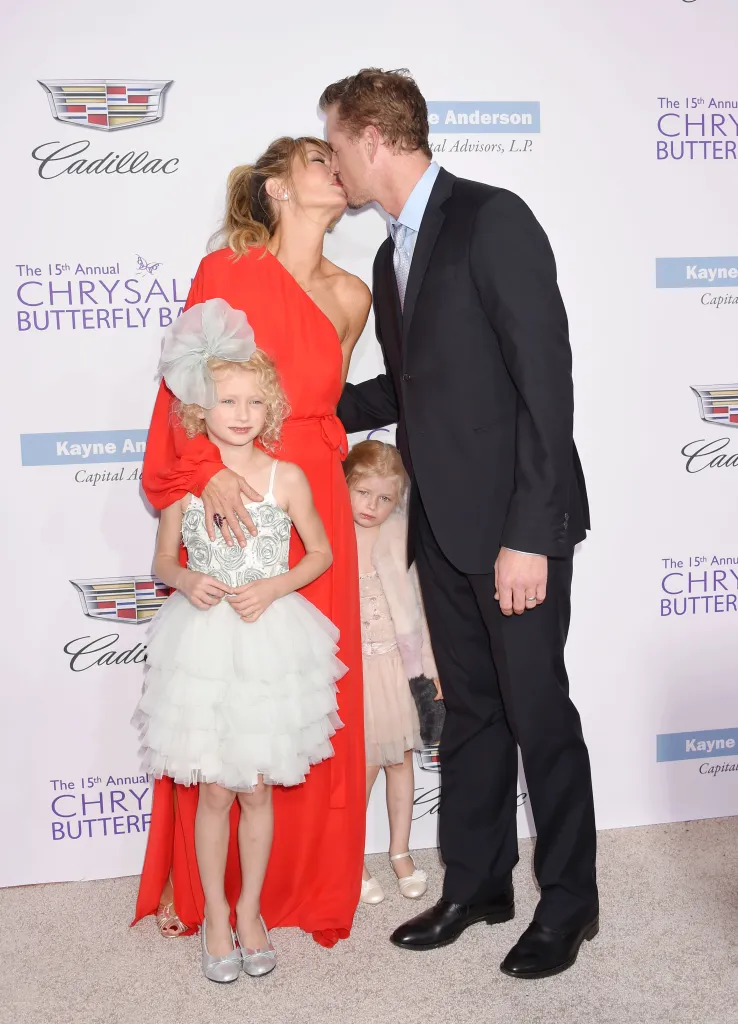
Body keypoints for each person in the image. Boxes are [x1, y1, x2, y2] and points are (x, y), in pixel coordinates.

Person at [320, 69, 598, 979]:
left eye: (335, 143)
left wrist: (533, 530)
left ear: (372, 136)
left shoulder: (492, 218)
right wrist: (308, 413)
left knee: (537, 714)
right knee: (472, 716)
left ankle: (570, 905)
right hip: (437, 525)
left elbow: (545, 386)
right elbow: (410, 391)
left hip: (515, 527)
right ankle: (478, 882)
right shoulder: (390, 256)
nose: (332, 162)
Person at [132, 136, 372, 949]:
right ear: (276, 187)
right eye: (317, 159)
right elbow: (182, 399)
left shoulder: (353, 292)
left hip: (309, 498)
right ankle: (204, 893)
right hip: (228, 487)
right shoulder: (226, 273)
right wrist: (205, 473)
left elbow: (324, 403)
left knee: (297, 699)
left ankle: (288, 889)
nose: (336, 168)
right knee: (221, 695)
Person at [134, 301, 346, 980]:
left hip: (269, 643)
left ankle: (252, 908)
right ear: (203, 406)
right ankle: (218, 916)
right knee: (216, 791)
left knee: (256, 788)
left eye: (256, 401)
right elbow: (162, 561)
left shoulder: (289, 478)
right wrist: (186, 581)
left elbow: (321, 554)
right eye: (228, 400)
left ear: (271, 407)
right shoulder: (181, 485)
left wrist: (277, 587)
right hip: (202, 646)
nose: (242, 413)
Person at [344, 439, 442, 906]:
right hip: (350, 671)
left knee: (400, 761)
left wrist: (431, 666)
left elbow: (420, 608)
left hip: (395, 669)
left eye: (385, 498)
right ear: (346, 484)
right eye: (363, 493)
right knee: (360, 768)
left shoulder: (402, 535)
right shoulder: (329, 534)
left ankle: (400, 851)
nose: (372, 506)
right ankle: (351, 858)